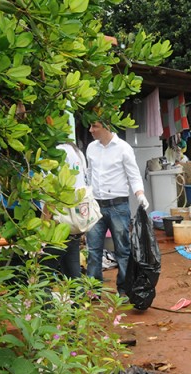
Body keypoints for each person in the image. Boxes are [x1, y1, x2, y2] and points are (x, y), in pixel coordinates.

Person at [85, 121, 150, 295]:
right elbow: (89, 174)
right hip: (96, 207)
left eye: (94, 126)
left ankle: (124, 289)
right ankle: (93, 291)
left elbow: (134, 175)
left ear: (106, 127)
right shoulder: (91, 148)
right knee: (93, 251)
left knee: (123, 250)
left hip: (118, 206)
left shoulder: (123, 148)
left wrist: (140, 195)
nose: (90, 130)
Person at [44, 142, 88, 278]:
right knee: (72, 271)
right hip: (75, 219)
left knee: (43, 271)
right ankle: (78, 298)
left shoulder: (57, 152)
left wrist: (44, 224)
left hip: (59, 221)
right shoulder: (76, 152)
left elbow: (53, 192)